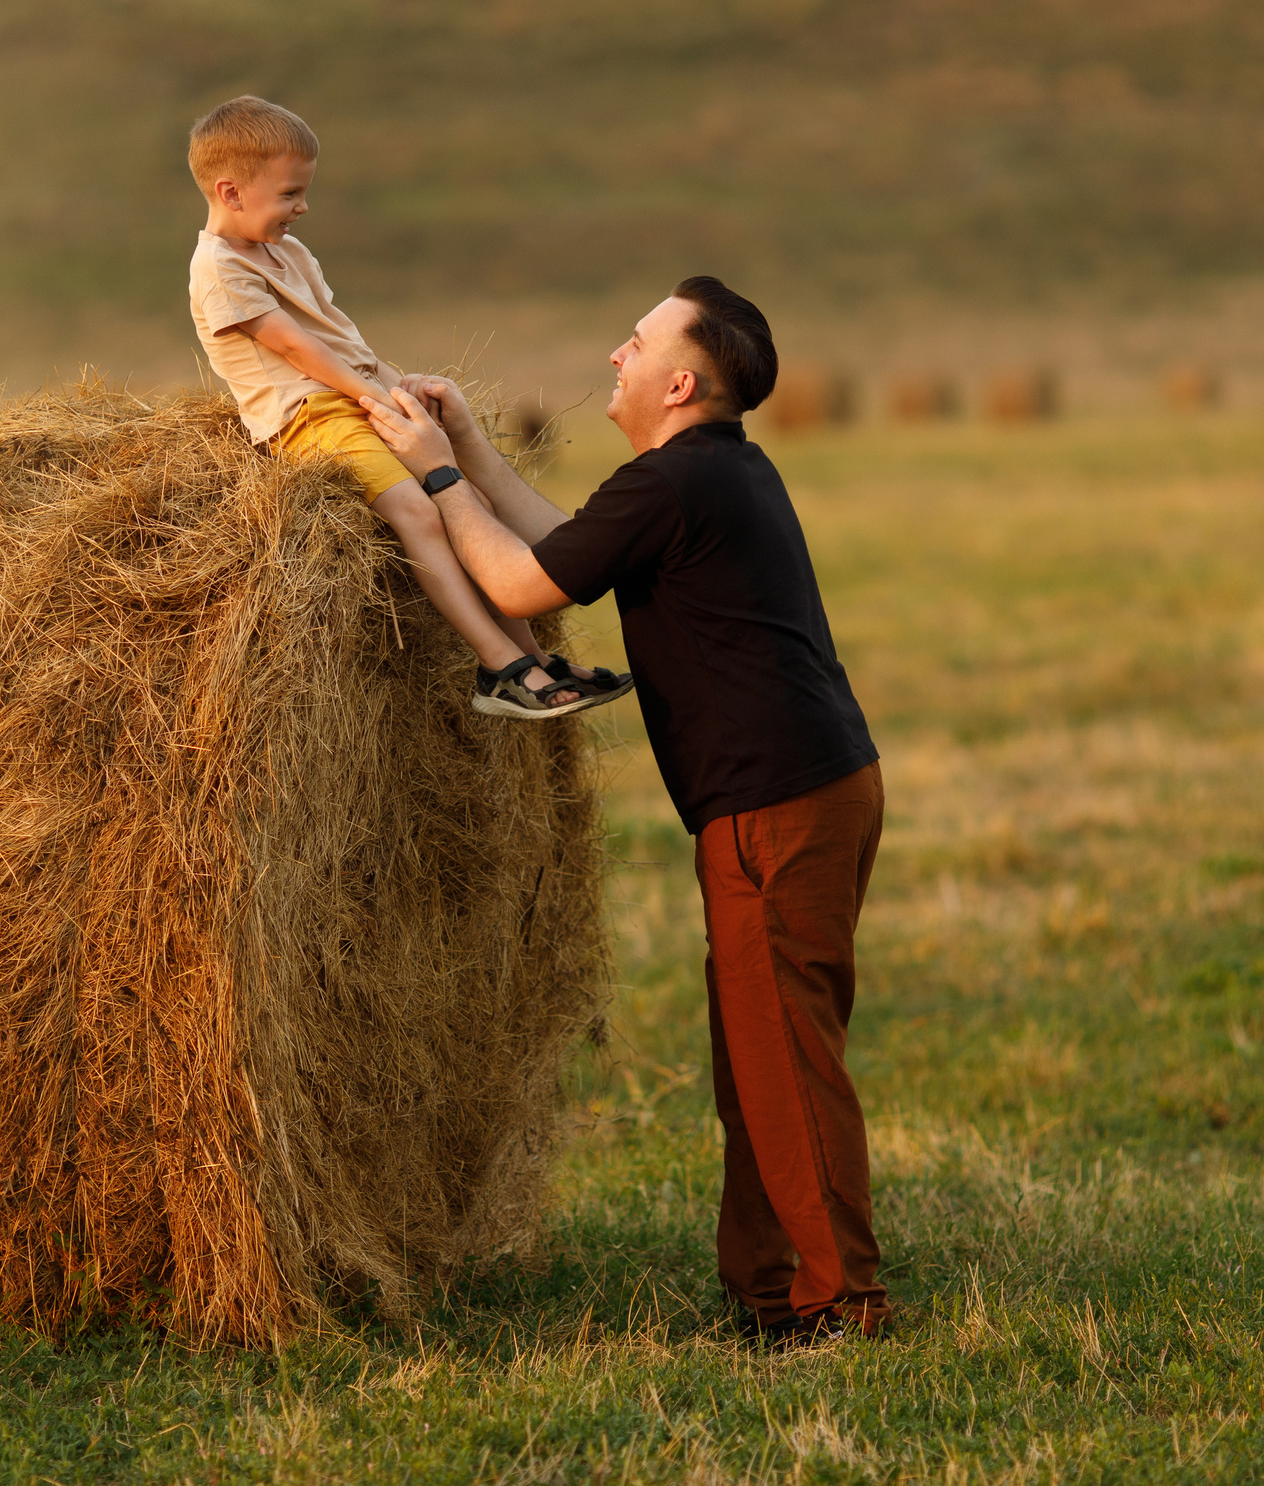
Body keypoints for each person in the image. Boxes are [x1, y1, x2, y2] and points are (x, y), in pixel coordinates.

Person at [358, 276, 890, 1344]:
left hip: (777, 805)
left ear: (680, 382)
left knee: (781, 1056)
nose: (616, 355)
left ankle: (844, 1303)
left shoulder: (682, 484)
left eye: (636, 343)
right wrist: (467, 438)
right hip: (801, 789)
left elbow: (516, 586)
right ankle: (772, 1292)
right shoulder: (699, 475)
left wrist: (434, 471)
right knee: (756, 1053)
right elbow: (565, 554)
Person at [185, 96, 630, 719]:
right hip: (307, 419)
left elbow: (344, 340)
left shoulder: (291, 255)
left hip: (350, 398)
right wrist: (373, 397)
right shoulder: (217, 268)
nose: (302, 207)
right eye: (290, 194)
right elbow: (297, 347)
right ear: (231, 192)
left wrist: (399, 388)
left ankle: (531, 655)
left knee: (466, 503)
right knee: (419, 515)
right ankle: (496, 666)